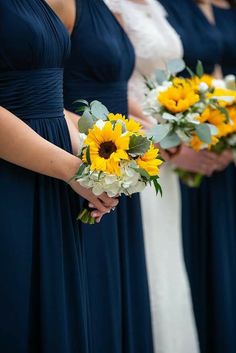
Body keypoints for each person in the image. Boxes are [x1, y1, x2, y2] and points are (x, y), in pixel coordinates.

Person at [0, 1, 118, 352]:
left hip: (50, 174)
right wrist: (71, 169)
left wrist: (101, 151)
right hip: (13, 176)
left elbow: (47, 98)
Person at [63, 0, 154, 352]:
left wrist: (145, 134)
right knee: (95, 290)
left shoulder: (103, 6)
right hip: (86, 158)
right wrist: (93, 150)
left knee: (117, 285)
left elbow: (119, 88)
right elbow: (44, 88)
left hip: (116, 160)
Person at [115, 1, 200, 352]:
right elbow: (107, 77)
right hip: (137, 139)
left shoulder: (155, 5)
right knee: (147, 250)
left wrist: (182, 127)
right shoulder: (111, 6)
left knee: (167, 254)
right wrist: (157, 135)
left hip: (165, 138)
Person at [159, 0, 236, 352]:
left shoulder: (225, 11)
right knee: (194, 248)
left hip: (224, 142)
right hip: (184, 141)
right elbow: (165, 74)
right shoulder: (168, 8)